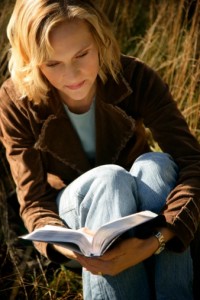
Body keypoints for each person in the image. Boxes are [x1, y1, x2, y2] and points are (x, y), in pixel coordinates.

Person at [0, 0, 199, 299]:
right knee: (110, 178)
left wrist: (157, 239)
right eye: (52, 63)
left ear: (100, 41)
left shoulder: (134, 76)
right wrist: (67, 246)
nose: (72, 74)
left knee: (156, 166)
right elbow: (35, 202)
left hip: (146, 207)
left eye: (82, 54)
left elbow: (192, 163)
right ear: (31, 61)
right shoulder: (15, 101)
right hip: (73, 212)